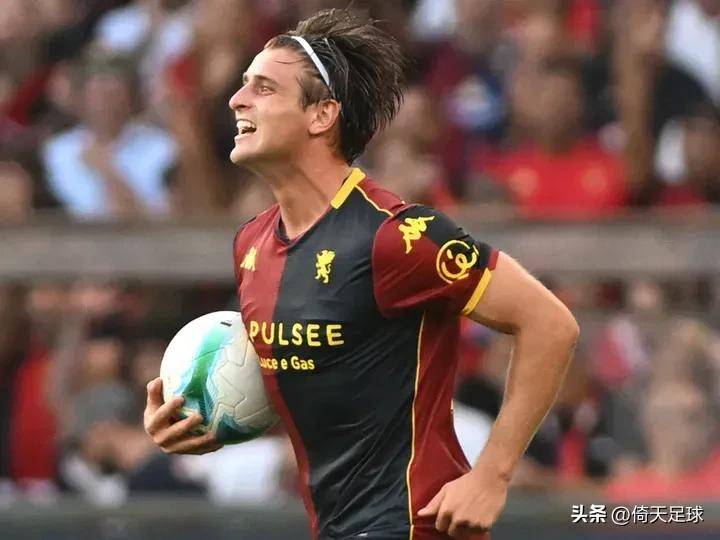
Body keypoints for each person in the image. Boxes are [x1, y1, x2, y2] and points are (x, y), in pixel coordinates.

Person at [143, 9, 579, 540]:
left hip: (415, 525)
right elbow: (326, 383)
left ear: (321, 115)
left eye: (264, 87)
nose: (237, 100)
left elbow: (550, 324)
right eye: (243, 85)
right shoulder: (251, 243)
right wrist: (207, 419)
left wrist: (492, 474)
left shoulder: (398, 235)